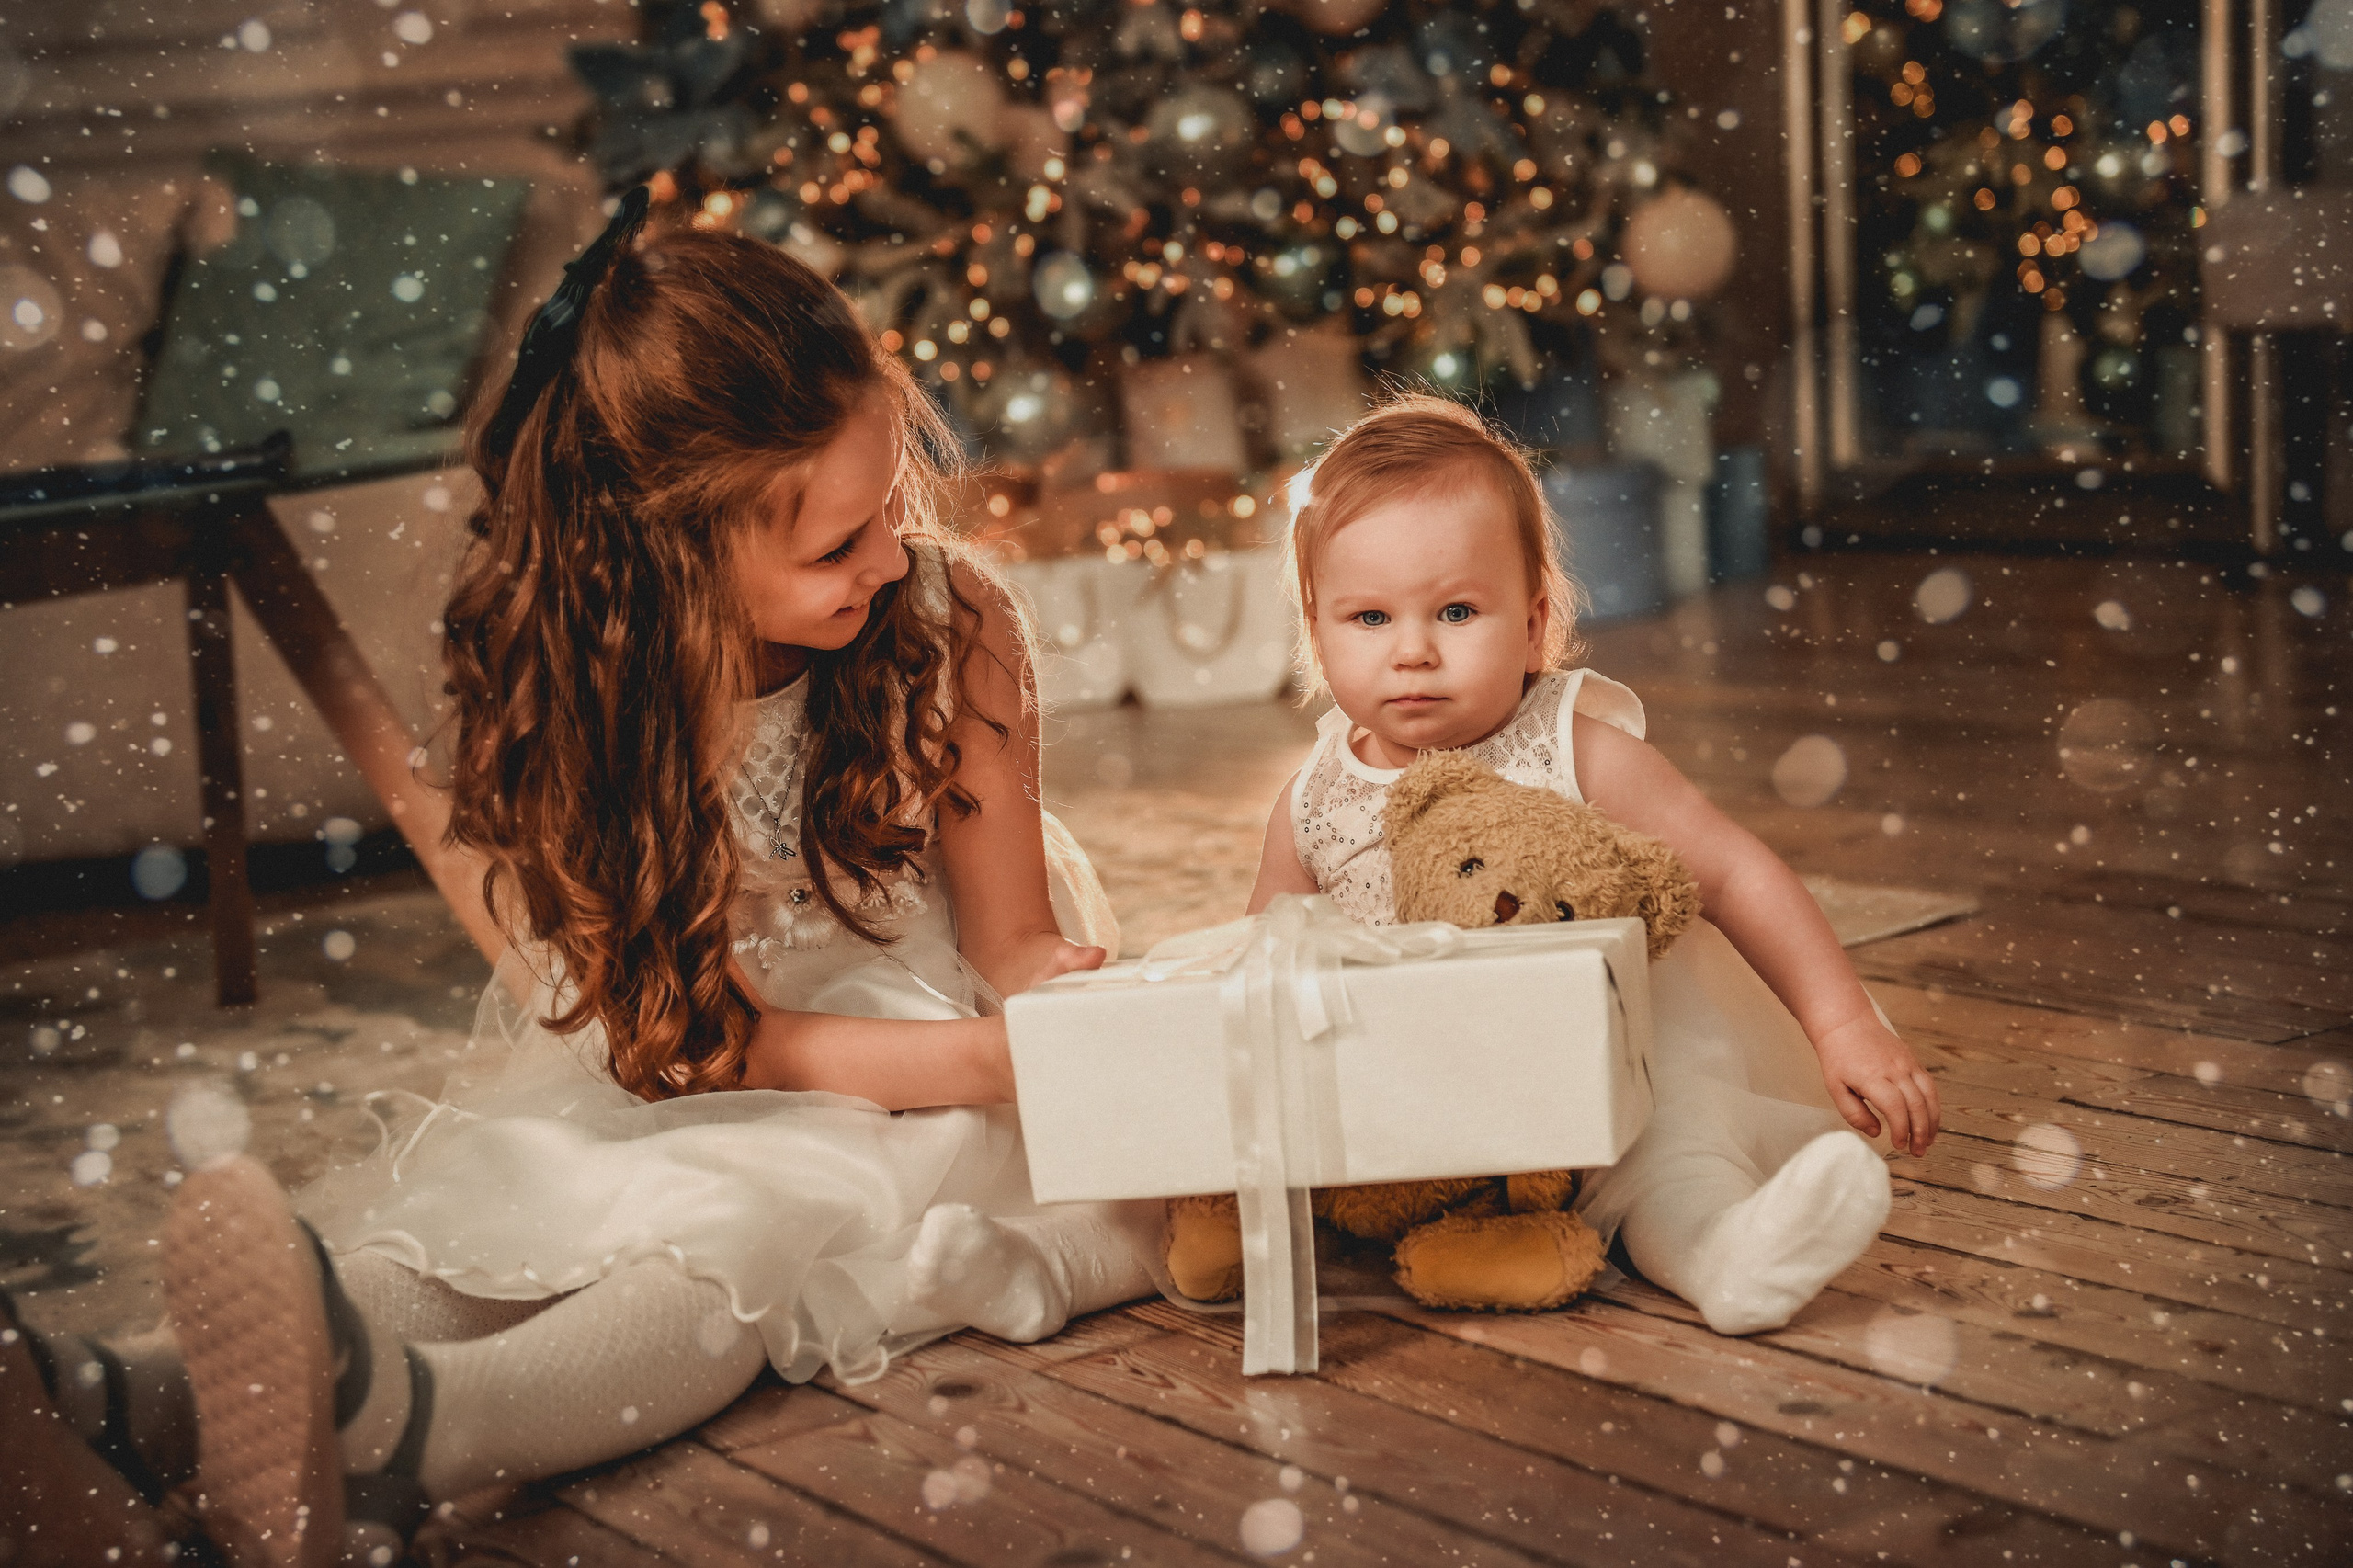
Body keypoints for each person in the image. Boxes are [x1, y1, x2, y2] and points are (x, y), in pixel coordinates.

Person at [4, 195, 1159, 1568]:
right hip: (688, 1037)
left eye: (888, 504)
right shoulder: (591, 695)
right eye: (833, 547)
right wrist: (991, 1054)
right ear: (673, 551)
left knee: (735, 1232)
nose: (890, 555)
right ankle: (114, 1393)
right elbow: (700, 1041)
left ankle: (407, 1435)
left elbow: (1015, 936)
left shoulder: (945, 619)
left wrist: (1063, 1018)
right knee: (505, 1201)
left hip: (923, 1017)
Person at [1243, 393, 1940, 1338]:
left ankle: (1728, 1254)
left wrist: (1843, 1021)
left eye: (1455, 610)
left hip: (1612, 1070)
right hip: (1425, 1104)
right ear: (1316, 634)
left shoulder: (1572, 747)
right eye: (1368, 616)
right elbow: (1264, 960)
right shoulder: (1315, 798)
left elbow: (1732, 873)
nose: (1412, 650)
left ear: (1532, 625)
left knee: (1666, 1160)